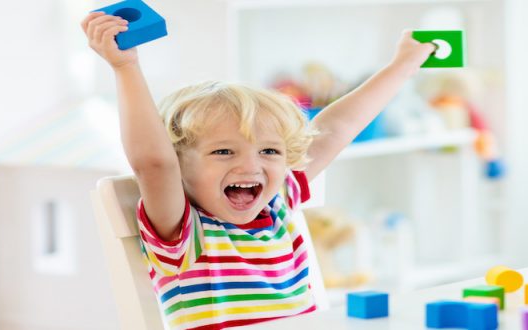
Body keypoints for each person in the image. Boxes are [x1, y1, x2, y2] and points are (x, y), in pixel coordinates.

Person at [81, 11, 435, 329]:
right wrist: (125, 67)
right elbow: (153, 164)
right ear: (178, 164)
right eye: (223, 151)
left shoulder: (279, 199)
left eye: (269, 151)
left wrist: (402, 66)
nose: (251, 166)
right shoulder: (185, 231)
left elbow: (335, 129)